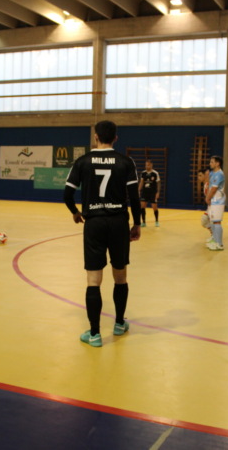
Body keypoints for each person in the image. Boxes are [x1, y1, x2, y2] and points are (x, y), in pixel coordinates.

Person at [64, 120, 141, 348]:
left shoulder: (83, 161)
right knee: (120, 277)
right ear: (115, 138)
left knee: (93, 281)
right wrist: (137, 223)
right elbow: (134, 198)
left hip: (94, 223)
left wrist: (75, 212)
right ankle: (119, 323)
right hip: (118, 223)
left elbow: (67, 194)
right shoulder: (126, 162)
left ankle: (95, 334)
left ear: (95, 137)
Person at [205, 156, 225, 251]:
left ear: (218, 163)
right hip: (213, 200)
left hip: (218, 200)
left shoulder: (219, 174)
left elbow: (213, 189)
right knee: (212, 220)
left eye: (212, 162)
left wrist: (207, 198)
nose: (210, 164)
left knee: (217, 221)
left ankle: (219, 244)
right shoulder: (212, 173)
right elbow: (209, 185)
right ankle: (215, 240)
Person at [139, 160, 161, 227]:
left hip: (153, 193)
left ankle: (156, 221)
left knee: (154, 207)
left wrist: (158, 192)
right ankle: (143, 222)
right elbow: (141, 182)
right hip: (145, 192)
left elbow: (158, 183)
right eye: (146, 165)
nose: (146, 166)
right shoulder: (143, 173)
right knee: (142, 206)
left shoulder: (155, 173)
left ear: (151, 165)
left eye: (148, 165)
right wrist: (138, 190)